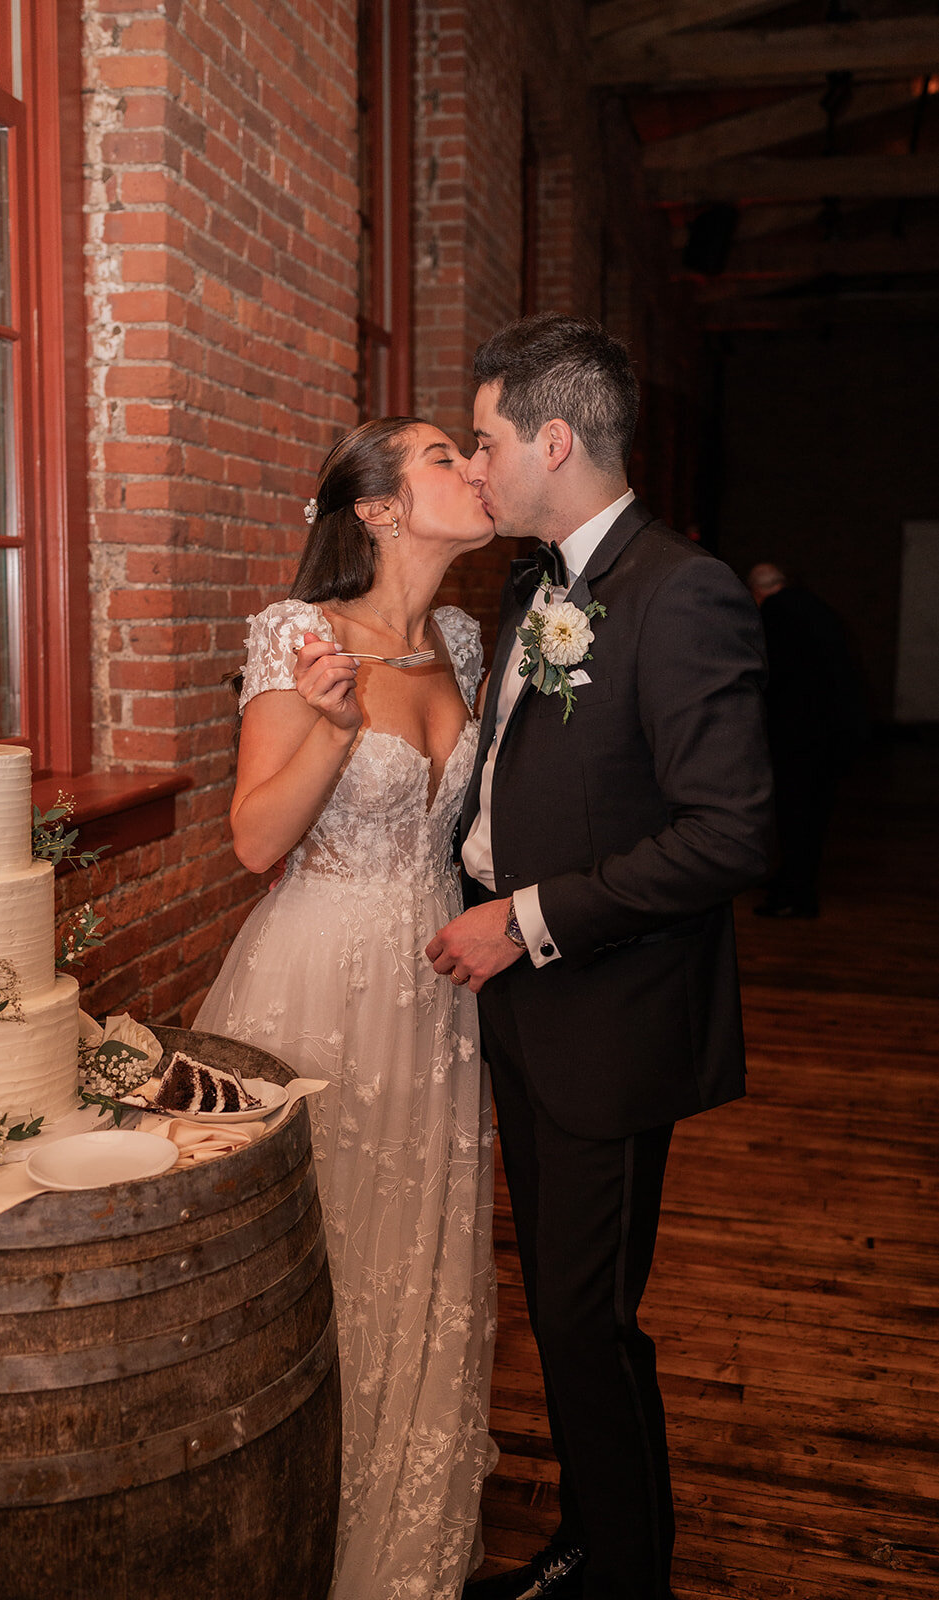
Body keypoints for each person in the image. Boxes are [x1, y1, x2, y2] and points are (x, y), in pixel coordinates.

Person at [426, 314, 772, 1600]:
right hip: (522, 1006)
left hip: (610, 1015)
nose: (478, 462)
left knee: (585, 1314)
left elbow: (731, 831)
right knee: (560, 1304)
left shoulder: (684, 590)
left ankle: (619, 1565)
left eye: (488, 437)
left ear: (555, 440)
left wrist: (522, 917)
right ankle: (593, 1531)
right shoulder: (531, 588)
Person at [193, 416, 498, 1600]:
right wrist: (328, 723)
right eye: (439, 456)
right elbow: (254, 838)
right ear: (374, 508)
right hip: (316, 978)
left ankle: (395, 1552)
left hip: (435, 1001)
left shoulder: (467, 642)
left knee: (414, 1264)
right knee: (316, 1263)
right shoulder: (298, 633)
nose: (470, 470)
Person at [748, 562, 867, 918]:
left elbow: (775, 678)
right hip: (826, 735)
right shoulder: (811, 606)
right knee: (807, 818)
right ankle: (790, 881)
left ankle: (795, 896)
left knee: (797, 819)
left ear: (756, 592)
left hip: (802, 739)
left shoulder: (777, 613)